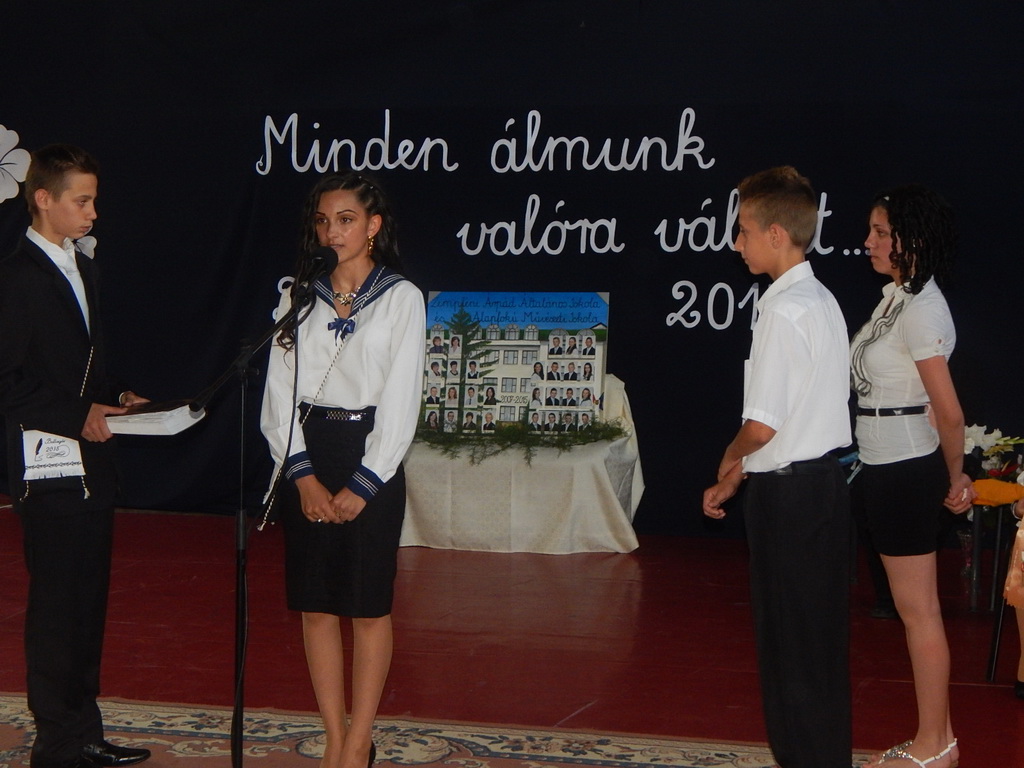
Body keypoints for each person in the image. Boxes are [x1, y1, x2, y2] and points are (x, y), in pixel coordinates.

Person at [261, 171, 425, 768]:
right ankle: (334, 736)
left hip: (370, 452)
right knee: (317, 606)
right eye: (324, 221)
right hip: (307, 450)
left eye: (347, 220)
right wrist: (301, 475)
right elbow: (278, 392)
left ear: (373, 226)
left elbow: (403, 398)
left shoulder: (401, 298)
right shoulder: (299, 295)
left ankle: (361, 742)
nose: (333, 231)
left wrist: (365, 482)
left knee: (367, 607)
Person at [0, 144, 151, 768]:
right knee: (57, 606)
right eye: (81, 201)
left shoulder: (82, 269)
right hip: (46, 465)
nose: (93, 213)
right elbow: (8, 381)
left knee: (87, 602)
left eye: (93, 201)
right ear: (43, 199)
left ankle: (84, 731)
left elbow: (82, 365)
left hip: (90, 466)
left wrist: (118, 395)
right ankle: (55, 744)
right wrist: (76, 415)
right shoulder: (16, 277)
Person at [702, 167, 852, 768]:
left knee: (791, 647)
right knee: (815, 646)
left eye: (742, 231)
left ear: (774, 235)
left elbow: (762, 426)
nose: (736, 243)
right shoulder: (821, 299)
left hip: (791, 500)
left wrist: (730, 457)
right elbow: (794, 419)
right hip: (820, 488)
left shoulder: (784, 309)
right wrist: (740, 473)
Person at [850, 185, 974, 768]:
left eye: (881, 232)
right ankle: (940, 740)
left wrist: (955, 475)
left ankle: (933, 746)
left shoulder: (922, 309)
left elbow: (948, 411)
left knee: (919, 612)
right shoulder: (896, 299)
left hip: (906, 470)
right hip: (883, 465)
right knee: (914, 611)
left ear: (912, 240)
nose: (868, 242)